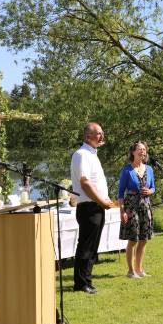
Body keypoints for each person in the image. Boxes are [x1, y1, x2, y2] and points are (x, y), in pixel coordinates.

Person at [70, 122, 113, 294]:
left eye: (102, 133)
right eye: (98, 133)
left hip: (97, 206)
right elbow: (85, 183)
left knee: (93, 247)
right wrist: (101, 201)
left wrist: (104, 199)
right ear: (88, 136)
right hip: (89, 206)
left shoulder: (92, 154)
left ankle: (86, 280)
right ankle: (80, 283)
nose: (101, 136)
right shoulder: (82, 154)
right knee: (86, 246)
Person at [118, 141, 155, 279]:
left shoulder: (149, 169)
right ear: (133, 152)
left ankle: (139, 269)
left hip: (145, 206)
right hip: (131, 206)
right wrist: (122, 211)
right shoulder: (127, 170)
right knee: (133, 239)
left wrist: (150, 191)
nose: (142, 151)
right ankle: (130, 271)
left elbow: (153, 188)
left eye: (144, 149)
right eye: (139, 149)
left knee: (144, 238)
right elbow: (120, 193)